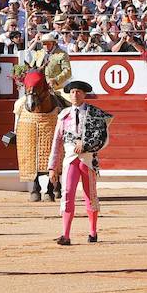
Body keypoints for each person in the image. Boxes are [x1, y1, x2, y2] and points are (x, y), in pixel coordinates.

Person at [47, 80, 113, 244]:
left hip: (87, 159)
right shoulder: (63, 115)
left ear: (84, 94)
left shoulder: (94, 113)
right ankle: (66, 235)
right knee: (67, 193)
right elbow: (56, 142)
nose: (75, 95)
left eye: (78, 92)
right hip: (70, 159)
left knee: (90, 195)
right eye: (72, 92)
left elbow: (102, 138)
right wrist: (52, 167)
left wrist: (85, 145)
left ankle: (92, 232)